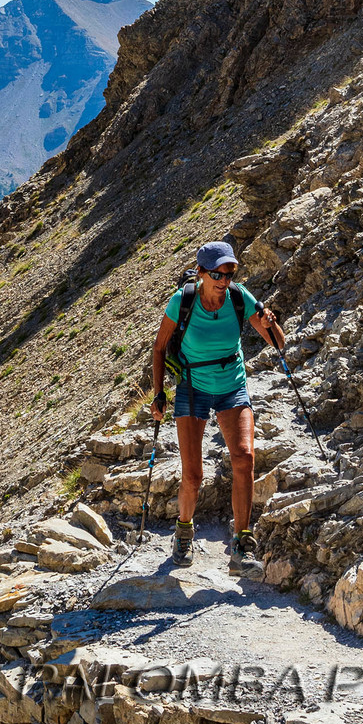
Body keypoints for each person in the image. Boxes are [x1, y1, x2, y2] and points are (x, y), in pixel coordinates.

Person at [150, 240, 285, 570]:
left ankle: (242, 544)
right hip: (192, 388)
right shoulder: (183, 301)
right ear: (201, 273)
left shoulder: (240, 297)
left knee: (245, 457)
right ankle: (183, 531)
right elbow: (158, 349)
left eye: (230, 273)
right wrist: (159, 394)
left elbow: (279, 345)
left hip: (232, 386)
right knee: (193, 475)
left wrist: (270, 323)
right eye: (218, 274)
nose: (225, 281)